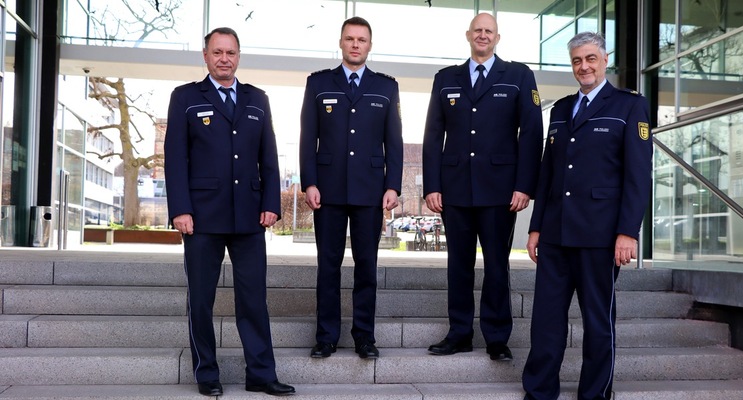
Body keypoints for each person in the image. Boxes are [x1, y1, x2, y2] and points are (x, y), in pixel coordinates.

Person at [164, 27, 295, 397]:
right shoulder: (186, 97)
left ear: (239, 56)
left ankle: (261, 374)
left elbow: (269, 157)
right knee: (201, 300)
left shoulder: (257, 98)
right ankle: (207, 373)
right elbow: (175, 157)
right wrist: (180, 209)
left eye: (231, 52)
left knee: (253, 300)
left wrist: (271, 203)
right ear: (205, 55)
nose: (225, 59)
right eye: (218, 52)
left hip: (249, 217)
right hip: (201, 217)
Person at [522, 32, 652, 400]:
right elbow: (548, 172)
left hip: (601, 234)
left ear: (605, 60)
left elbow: (638, 175)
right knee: (546, 318)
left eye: (591, 58)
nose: (584, 66)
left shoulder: (629, 106)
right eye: (577, 60)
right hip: (556, 233)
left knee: (597, 321)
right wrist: (536, 227)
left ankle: (595, 394)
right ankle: (539, 390)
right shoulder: (561, 109)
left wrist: (628, 232)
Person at [422, 13, 543, 361]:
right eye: (478, 30)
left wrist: (525, 186)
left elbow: (531, 132)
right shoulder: (446, 78)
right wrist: (432, 185)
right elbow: (433, 134)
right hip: (455, 189)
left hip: (501, 191)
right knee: (458, 265)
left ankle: (497, 338)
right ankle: (459, 333)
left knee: (497, 265)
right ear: (468, 35)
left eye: (489, 31)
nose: (483, 35)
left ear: (497, 38)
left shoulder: (519, 76)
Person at [299, 16, 403, 360]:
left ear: (369, 45)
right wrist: (309, 182)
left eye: (361, 39)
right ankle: (326, 337)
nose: (355, 44)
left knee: (366, 267)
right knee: (328, 266)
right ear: (341, 42)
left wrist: (393, 185)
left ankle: (364, 337)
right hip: (327, 191)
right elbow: (307, 138)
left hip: (370, 191)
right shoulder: (318, 83)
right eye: (350, 38)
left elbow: (394, 142)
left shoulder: (386, 87)